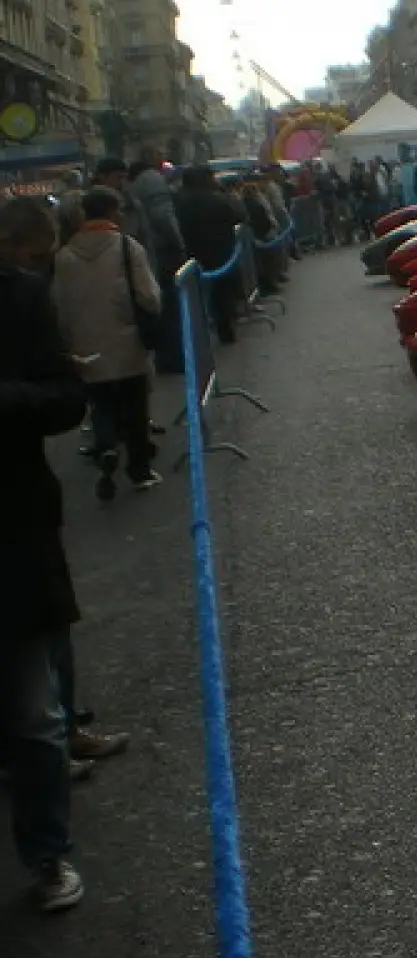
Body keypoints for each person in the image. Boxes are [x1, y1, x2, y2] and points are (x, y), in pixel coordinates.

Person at [0, 195, 88, 912]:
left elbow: (65, 398)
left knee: (34, 717)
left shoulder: (19, 297)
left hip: (10, 533)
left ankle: (46, 855)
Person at [53, 185, 162, 499]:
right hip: (126, 341)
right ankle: (139, 469)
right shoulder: (128, 247)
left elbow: (58, 303)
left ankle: (106, 448)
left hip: (86, 345)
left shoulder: (65, 255)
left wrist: (68, 339)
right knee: (135, 405)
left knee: (101, 404)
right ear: (113, 212)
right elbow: (148, 297)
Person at [175, 165, 246, 344]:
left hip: (192, 254)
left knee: (198, 296)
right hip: (220, 252)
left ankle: (200, 333)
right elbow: (239, 215)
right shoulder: (216, 200)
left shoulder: (180, 201)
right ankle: (225, 328)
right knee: (222, 294)